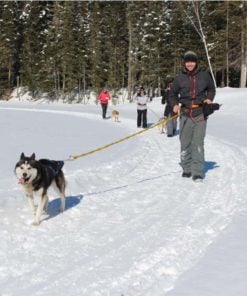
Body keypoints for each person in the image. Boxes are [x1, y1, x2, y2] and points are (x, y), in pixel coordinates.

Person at [168, 50, 216, 182]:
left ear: (196, 62)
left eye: (192, 61)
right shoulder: (179, 78)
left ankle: (198, 171)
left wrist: (209, 98)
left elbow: (211, 89)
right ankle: (186, 168)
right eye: (187, 61)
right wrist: (174, 105)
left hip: (200, 113)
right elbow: (172, 94)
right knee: (185, 143)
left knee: (198, 143)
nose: (190, 64)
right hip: (184, 113)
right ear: (184, 63)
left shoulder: (204, 75)